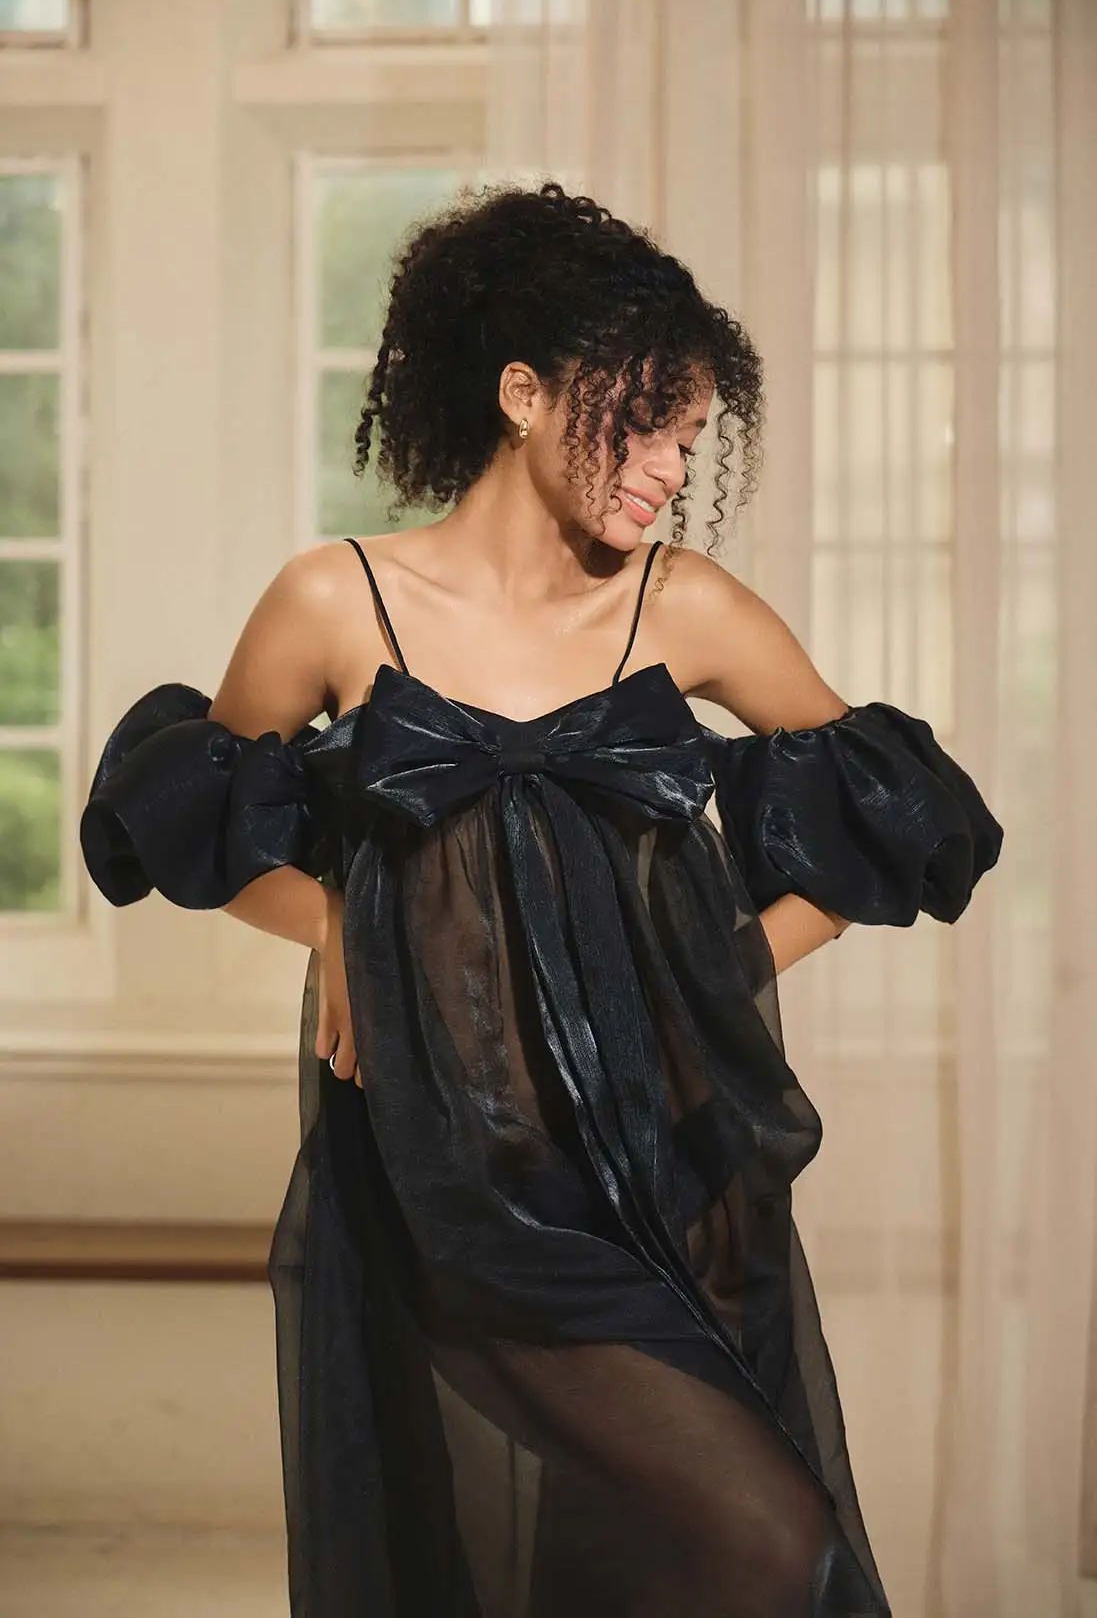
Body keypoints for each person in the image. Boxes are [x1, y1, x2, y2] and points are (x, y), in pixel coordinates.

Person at [79, 182, 1002, 1618]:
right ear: (523, 393)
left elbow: (900, 828)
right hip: (459, 1178)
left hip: (677, 1170)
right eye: (646, 426)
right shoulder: (335, 600)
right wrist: (342, 929)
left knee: (655, 1564)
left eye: (690, 440)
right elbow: (198, 829)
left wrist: (706, 974)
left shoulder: (685, 605)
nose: (668, 472)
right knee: (767, 1542)